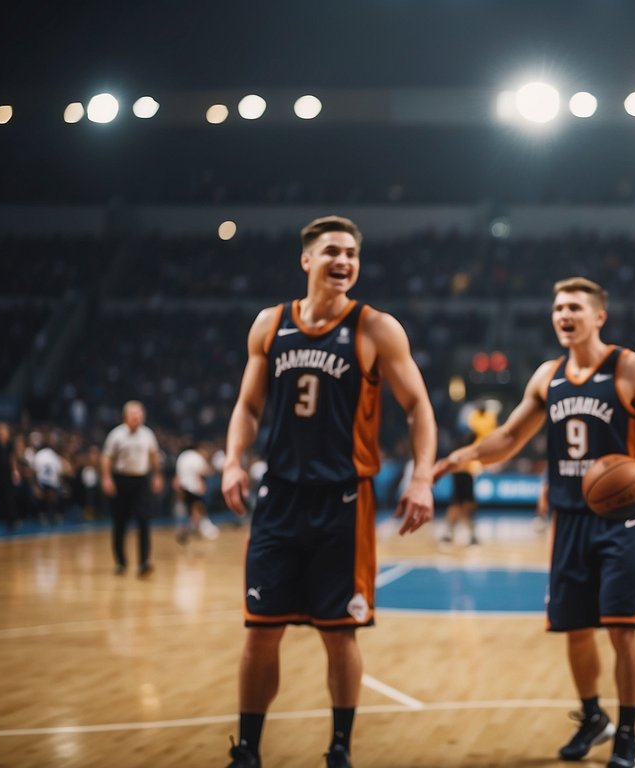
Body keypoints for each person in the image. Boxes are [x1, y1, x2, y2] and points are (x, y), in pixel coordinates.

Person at [434, 276, 635, 768]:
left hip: (623, 520)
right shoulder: (546, 376)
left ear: (598, 317)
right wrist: (461, 457)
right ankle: (593, 717)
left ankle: (628, 734)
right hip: (569, 519)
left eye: (574, 307)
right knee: (574, 628)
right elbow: (507, 438)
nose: (564, 315)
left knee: (622, 628)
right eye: (557, 308)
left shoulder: (631, 368)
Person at [220, 215, 437, 768]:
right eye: (332, 251)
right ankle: (248, 748)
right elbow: (248, 405)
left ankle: (339, 749)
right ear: (307, 260)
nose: (343, 261)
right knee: (260, 633)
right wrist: (233, 461)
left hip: (344, 499)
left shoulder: (374, 327)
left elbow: (419, 407)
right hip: (280, 499)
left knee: (340, 634)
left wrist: (420, 475)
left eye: (351, 254)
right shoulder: (269, 324)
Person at [101, 401, 162, 576]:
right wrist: (107, 478)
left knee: (144, 520)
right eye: (133, 414)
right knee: (120, 522)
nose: (137, 417)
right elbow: (106, 458)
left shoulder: (148, 434)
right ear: (125, 416)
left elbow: (153, 455)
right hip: (121, 480)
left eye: (139, 414)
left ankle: (144, 562)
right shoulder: (116, 435)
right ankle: (121, 562)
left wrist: (157, 475)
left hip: (141, 480)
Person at [441, 399, 499, 547]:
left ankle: (455, 532)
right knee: (462, 503)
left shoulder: (473, 428)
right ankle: (454, 532)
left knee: (462, 503)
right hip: (462, 470)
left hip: (465, 470)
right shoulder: (471, 431)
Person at [174, 441, 216, 543]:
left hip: (183, 488)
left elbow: (179, 474)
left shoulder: (183, 456)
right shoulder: (197, 458)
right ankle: (187, 531)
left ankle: (191, 529)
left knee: (192, 510)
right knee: (197, 509)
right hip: (194, 488)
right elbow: (203, 472)